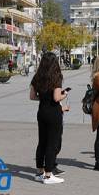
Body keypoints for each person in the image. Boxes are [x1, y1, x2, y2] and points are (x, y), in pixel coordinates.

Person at [30, 52, 69, 184]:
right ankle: (48, 175)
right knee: (52, 143)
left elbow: (32, 96)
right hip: (53, 112)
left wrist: (43, 97)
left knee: (42, 142)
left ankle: (39, 172)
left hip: (42, 112)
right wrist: (65, 94)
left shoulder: (37, 77)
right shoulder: (56, 76)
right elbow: (56, 98)